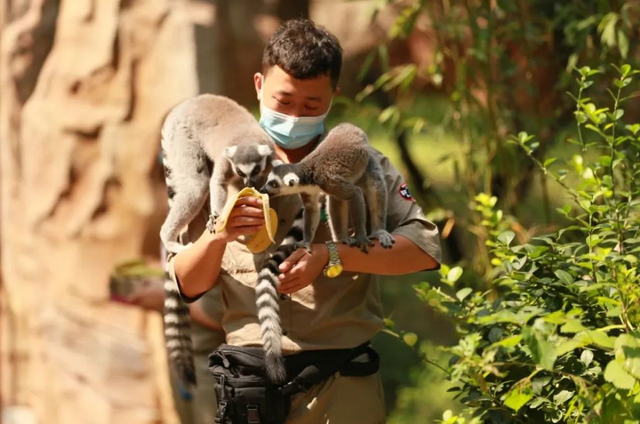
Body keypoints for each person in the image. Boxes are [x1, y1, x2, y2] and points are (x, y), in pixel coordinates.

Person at [166, 18, 441, 424]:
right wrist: (218, 234)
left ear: (333, 96)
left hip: (340, 386)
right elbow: (187, 283)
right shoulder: (221, 168)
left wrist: (333, 255)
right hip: (251, 382)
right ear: (259, 86)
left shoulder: (358, 162)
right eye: (283, 101)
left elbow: (422, 250)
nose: (294, 116)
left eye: (311, 106)